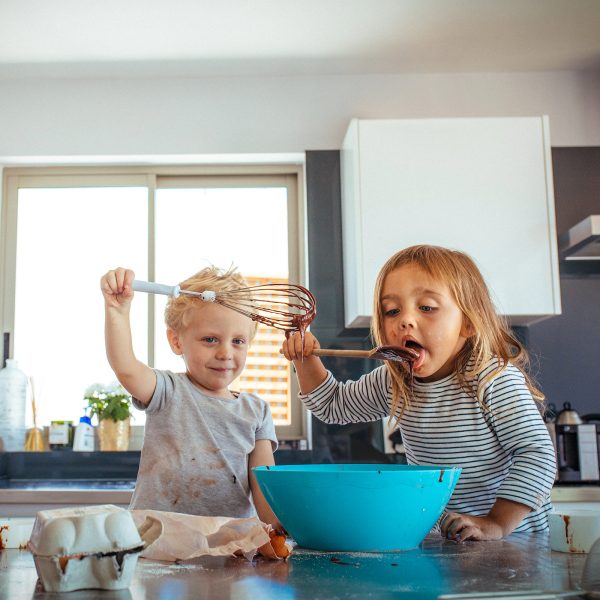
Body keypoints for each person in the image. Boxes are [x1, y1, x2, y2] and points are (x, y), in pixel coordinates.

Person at [281, 245, 556, 542]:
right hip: (450, 543)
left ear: (468, 322)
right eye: (392, 311)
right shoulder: (394, 380)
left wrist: (496, 523)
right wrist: (304, 359)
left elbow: (537, 455)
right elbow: (333, 405)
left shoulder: (493, 380)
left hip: (515, 544)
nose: (405, 320)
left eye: (426, 307)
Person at [101, 266, 280, 528]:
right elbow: (126, 369)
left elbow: (266, 491)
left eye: (238, 341)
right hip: (156, 544)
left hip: (228, 550)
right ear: (176, 341)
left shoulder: (257, 411)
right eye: (210, 339)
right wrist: (117, 310)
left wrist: (278, 529)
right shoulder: (168, 390)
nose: (225, 353)